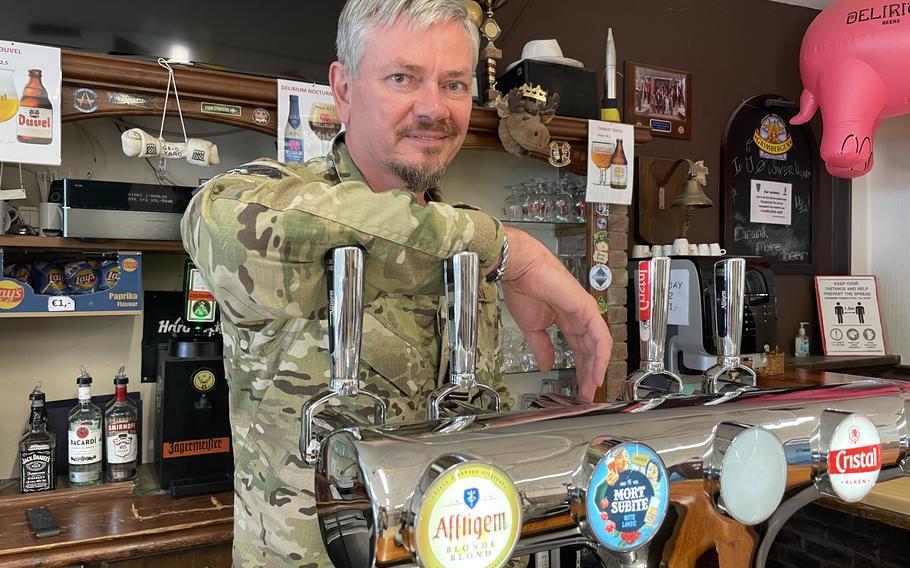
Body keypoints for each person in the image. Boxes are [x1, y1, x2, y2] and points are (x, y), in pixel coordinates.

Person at [181, 0, 612, 565]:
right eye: (402, 77)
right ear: (344, 88)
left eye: (454, 84)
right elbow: (215, 219)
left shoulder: (466, 241)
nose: (433, 108)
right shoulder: (277, 196)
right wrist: (511, 251)